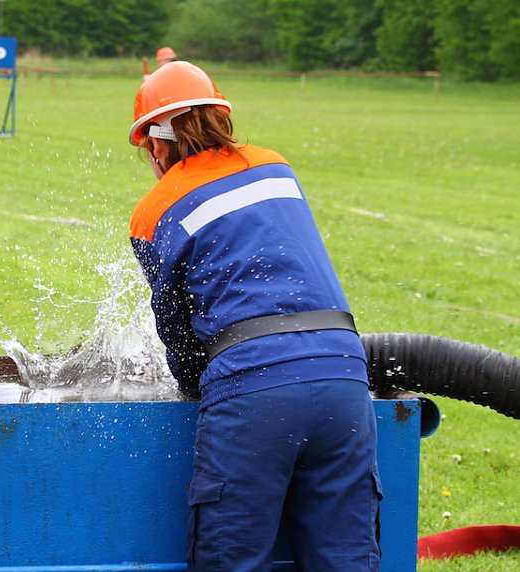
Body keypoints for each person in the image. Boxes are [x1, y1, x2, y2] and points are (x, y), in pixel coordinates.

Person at [127, 61, 381, 571]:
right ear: (220, 115)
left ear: (156, 143)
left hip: (253, 390)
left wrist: (191, 384)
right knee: (347, 559)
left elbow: (176, 328)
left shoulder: (153, 212)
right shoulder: (274, 166)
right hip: (345, 375)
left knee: (232, 558)